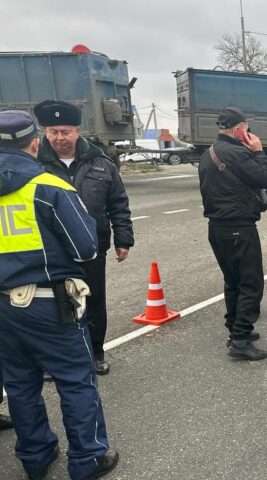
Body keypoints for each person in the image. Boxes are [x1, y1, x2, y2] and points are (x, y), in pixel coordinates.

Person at [0, 110, 118, 479]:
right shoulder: (49, 186)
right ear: (35, 142)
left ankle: (35, 458)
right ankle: (87, 460)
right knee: (75, 380)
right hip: (49, 304)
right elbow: (86, 248)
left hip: (3, 306)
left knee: (20, 384)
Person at [34, 100, 134, 376]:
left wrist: (123, 239)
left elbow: (118, 203)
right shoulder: (33, 164)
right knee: (52, 304)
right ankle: (54, 361)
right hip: (49, 251)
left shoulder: (101, 162)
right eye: (53, 132)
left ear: (77, 131)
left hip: (91, 247)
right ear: (45, 132)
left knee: (92, 302)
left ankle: (95, 353)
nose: (59, 137)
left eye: (65, 131)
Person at [199, 107, 267, 361]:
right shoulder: (239, 152)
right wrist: (259, 152)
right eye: (247, 129)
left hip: (217, 226)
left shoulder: (208, 153)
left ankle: (235, 329)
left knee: (232, 281)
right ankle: (240, 339)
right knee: (251, 283)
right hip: (239, 226)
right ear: (239, 129)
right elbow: (265, 178)